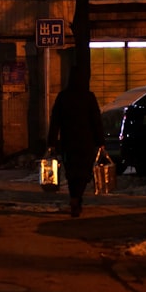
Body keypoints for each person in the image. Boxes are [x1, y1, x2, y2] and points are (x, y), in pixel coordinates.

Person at [47, 65, 105, 217]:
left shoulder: (63, 97)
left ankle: (74, 198)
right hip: (86, 141)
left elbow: (55, 121)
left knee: (72, 171)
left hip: (68, 141)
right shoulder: (89, 97)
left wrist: (51, 142)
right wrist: (100, 141)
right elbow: (96, 120)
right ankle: (77, 198)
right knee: (84, 171)